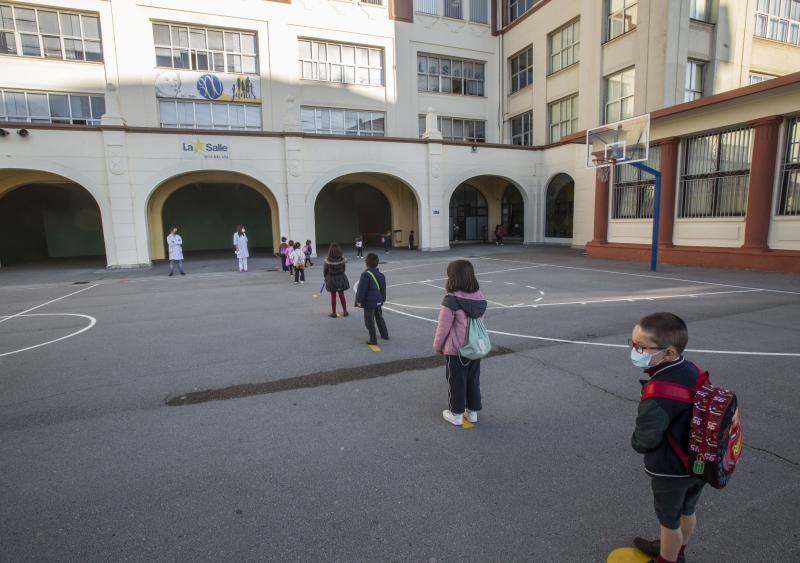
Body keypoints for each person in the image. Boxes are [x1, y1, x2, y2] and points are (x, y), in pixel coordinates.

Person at [629, 312, 705, 563]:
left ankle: (667, 559)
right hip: (698, 460)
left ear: (669, 353)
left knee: (668, 521)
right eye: (632, 343)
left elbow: (645, 439)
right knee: (687, 509)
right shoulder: (690, 369)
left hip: (672, 469)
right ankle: (676, 550)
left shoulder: (659, 392)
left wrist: (636, 442)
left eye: (641, 347)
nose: (635, 350)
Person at [432, 260, 487, 426]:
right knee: (473, 380)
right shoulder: (480, 297)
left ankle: (455, 414)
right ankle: (472, 412)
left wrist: (438, 347)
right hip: (475, 347)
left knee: (456, 381)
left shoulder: (450, 301)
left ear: (452, 277)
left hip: (456, 350)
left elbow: (443, 329)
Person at [355, 253, 389, 346]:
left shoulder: (365, 275)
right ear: (377, 263)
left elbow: (361, 290)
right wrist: (382, 300)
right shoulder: (381, 275)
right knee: (379, 318)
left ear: (367, 263)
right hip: (378, 301)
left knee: (369, 321)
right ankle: (385, 334)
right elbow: (383, 289)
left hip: (369, 303)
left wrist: (358, 301)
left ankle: (373, 339)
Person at [323, 243, 350, 318]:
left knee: (333, 296)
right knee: (342, 295)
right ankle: (345, 312)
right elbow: (344, 269)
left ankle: (334, 313)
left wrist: (326, 278)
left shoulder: (327, 260)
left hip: (331, 278)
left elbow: (325, 271)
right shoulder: (342, 259)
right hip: (341, 277)